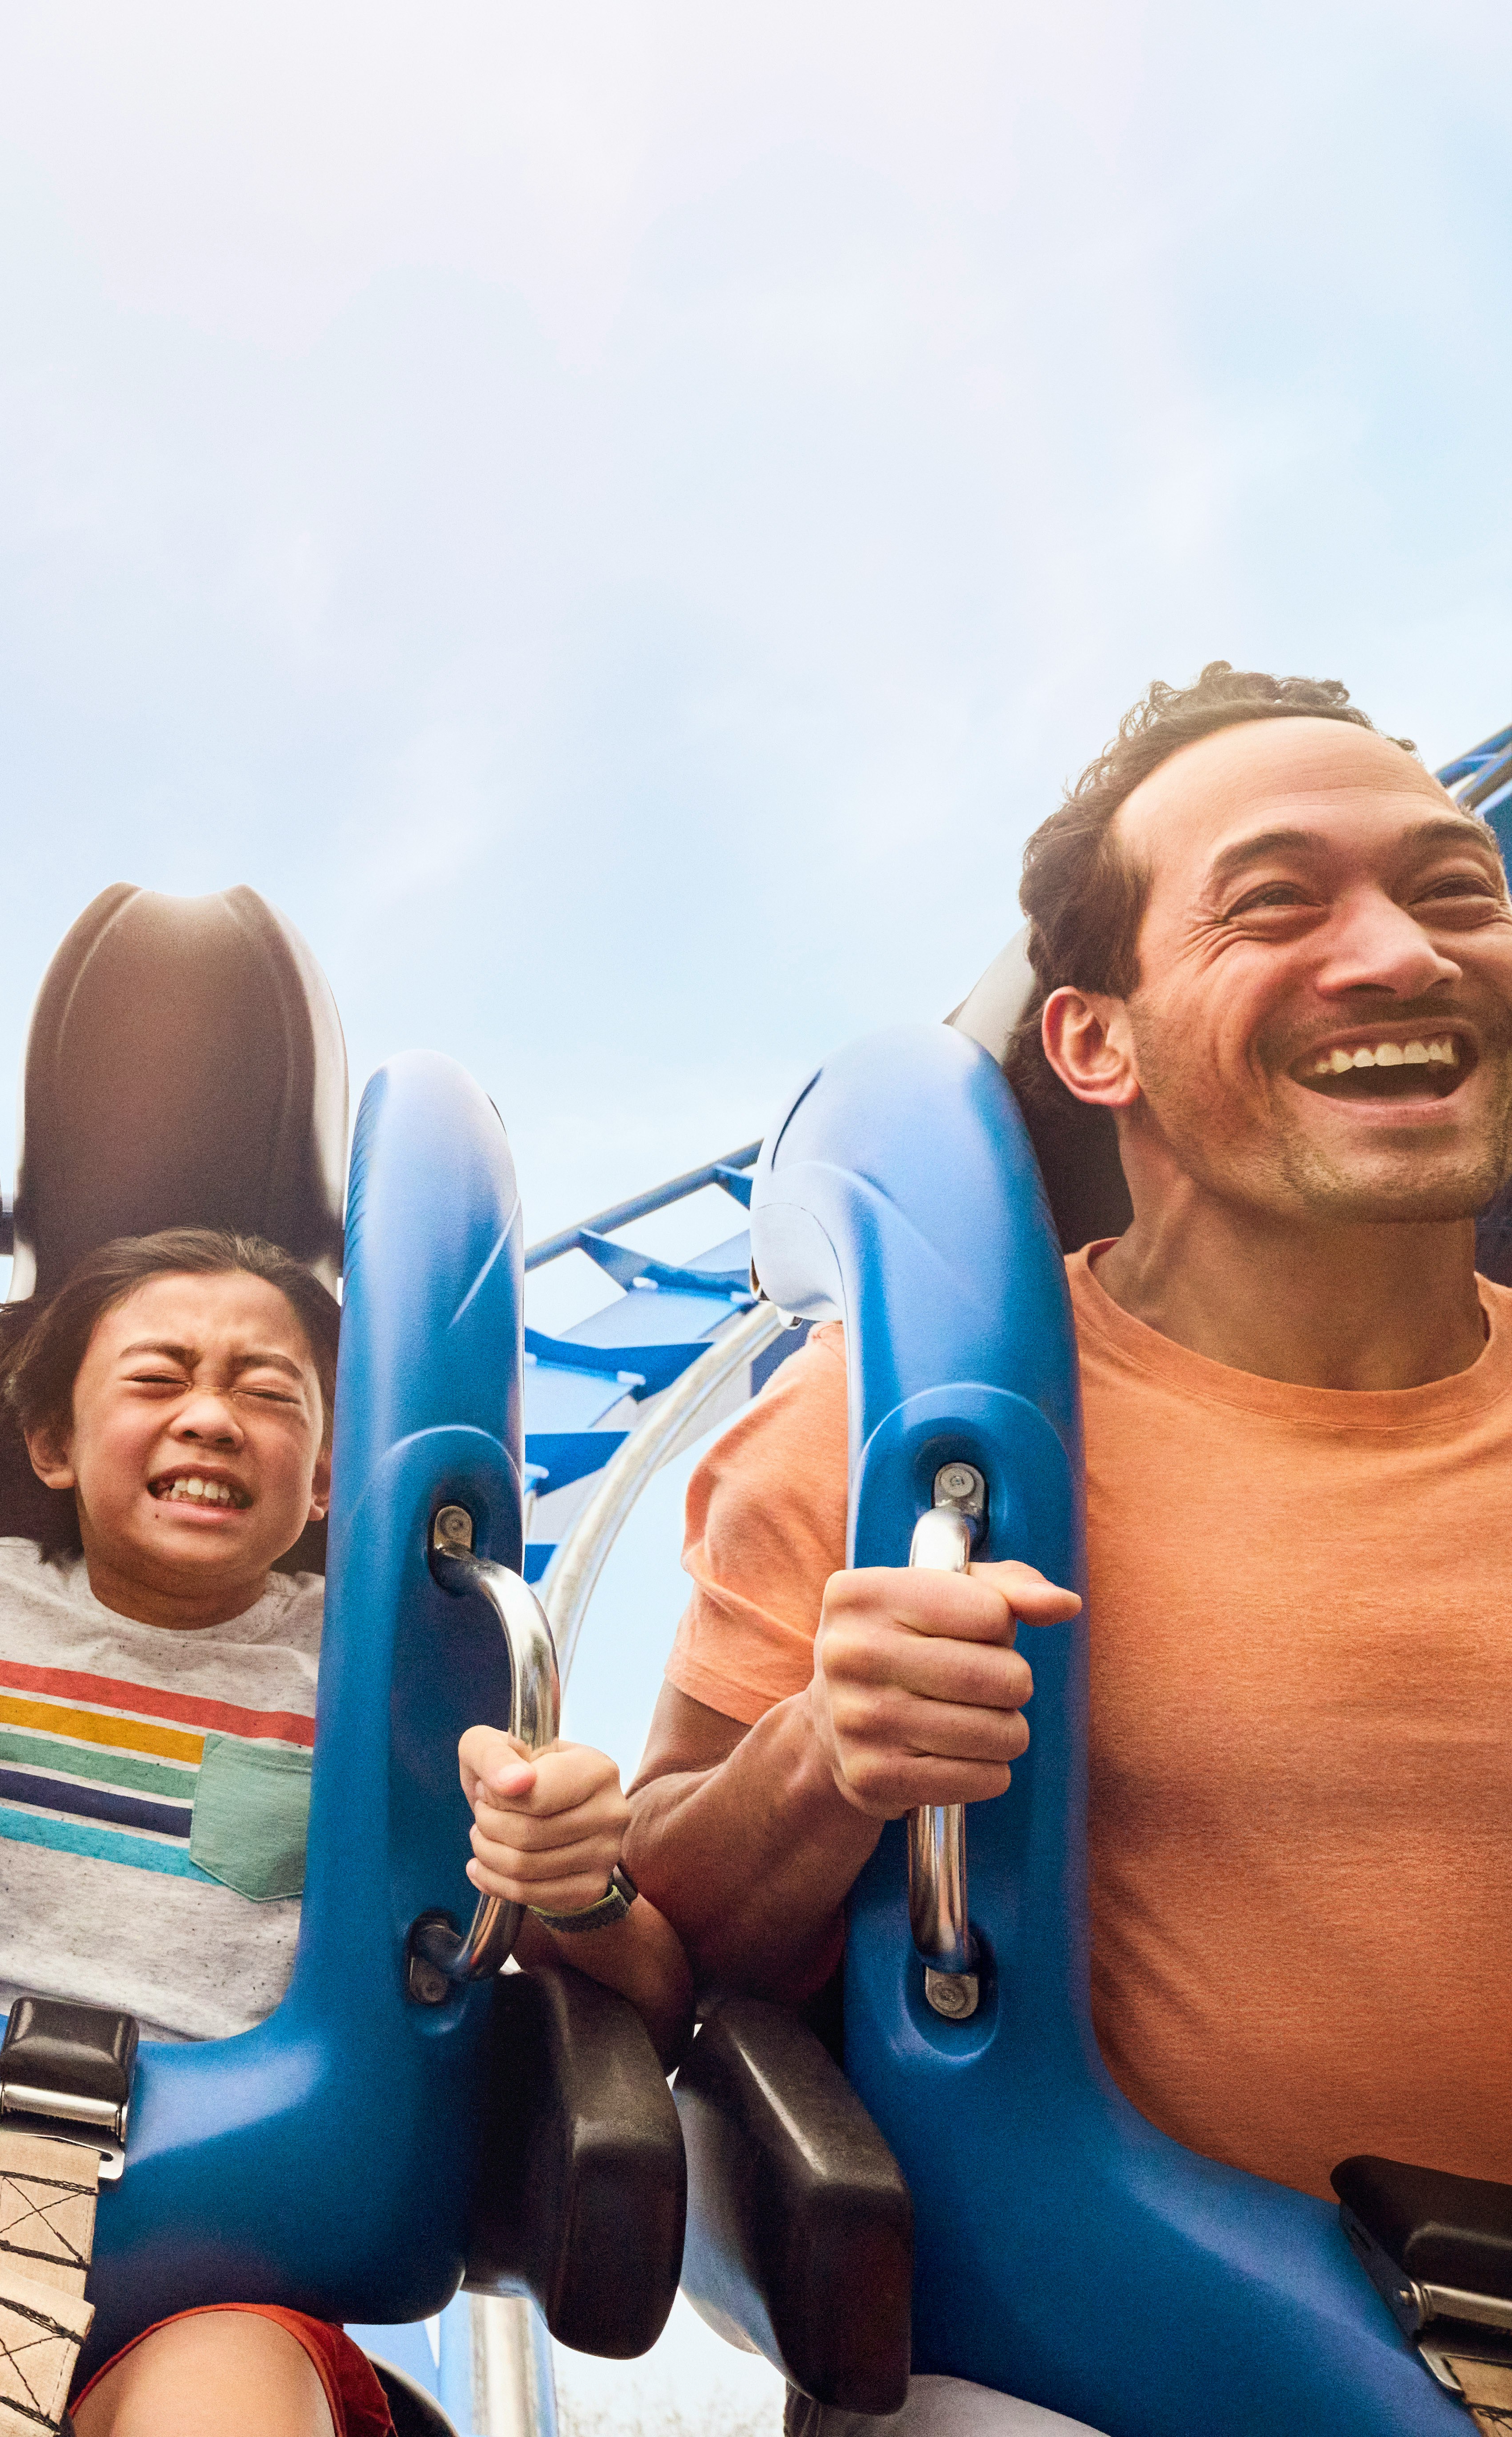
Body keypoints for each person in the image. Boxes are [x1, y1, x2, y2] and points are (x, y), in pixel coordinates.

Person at [625, 667, 1512, 2436]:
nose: (1399, 956)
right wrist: (827, 1752)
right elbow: (654, 1933)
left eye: (1452, 893)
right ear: (1093, 1042)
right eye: (1276, 903)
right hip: (1099, 2366)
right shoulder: (892, 1429)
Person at [0, 1227, 693, 2437]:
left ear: (328, 1473)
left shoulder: (395, 1676)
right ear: (54, 1445)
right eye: (159, 1378)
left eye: (269, 1392)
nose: (212, 1418)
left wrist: (578, 1879)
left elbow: (649, 1998)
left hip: (236, 2251)